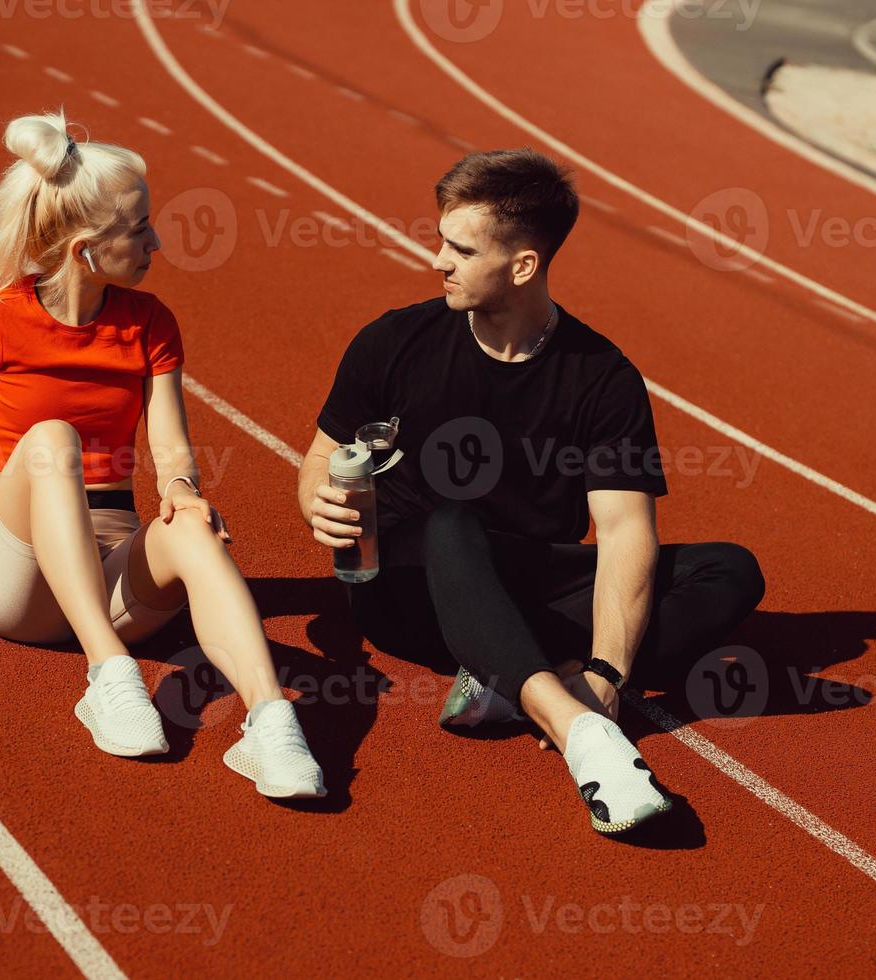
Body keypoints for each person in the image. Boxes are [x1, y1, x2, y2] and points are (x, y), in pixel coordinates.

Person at [297, 149, 765, 834]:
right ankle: (581, 734)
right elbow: (319, 459)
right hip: (406, 585)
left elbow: (626, 530)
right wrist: (317, 499)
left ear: (523, 266)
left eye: (460, 248)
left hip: (525, 574)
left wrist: (607, 670)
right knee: (451, 524)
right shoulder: (397, 340)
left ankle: (509, 679)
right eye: (441, 240)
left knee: (730, 570)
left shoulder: (602, 376)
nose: (438, 261)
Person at [0, 111, 325, 799]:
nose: (155, 240)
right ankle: (109, 676)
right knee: (53, 438)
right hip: (22, 586)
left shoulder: (150, 322)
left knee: (193, 526)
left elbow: (170, 440)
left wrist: (180, 491)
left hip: (117, 575)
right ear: (86, 249)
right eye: (139, 227)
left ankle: (271, 723)